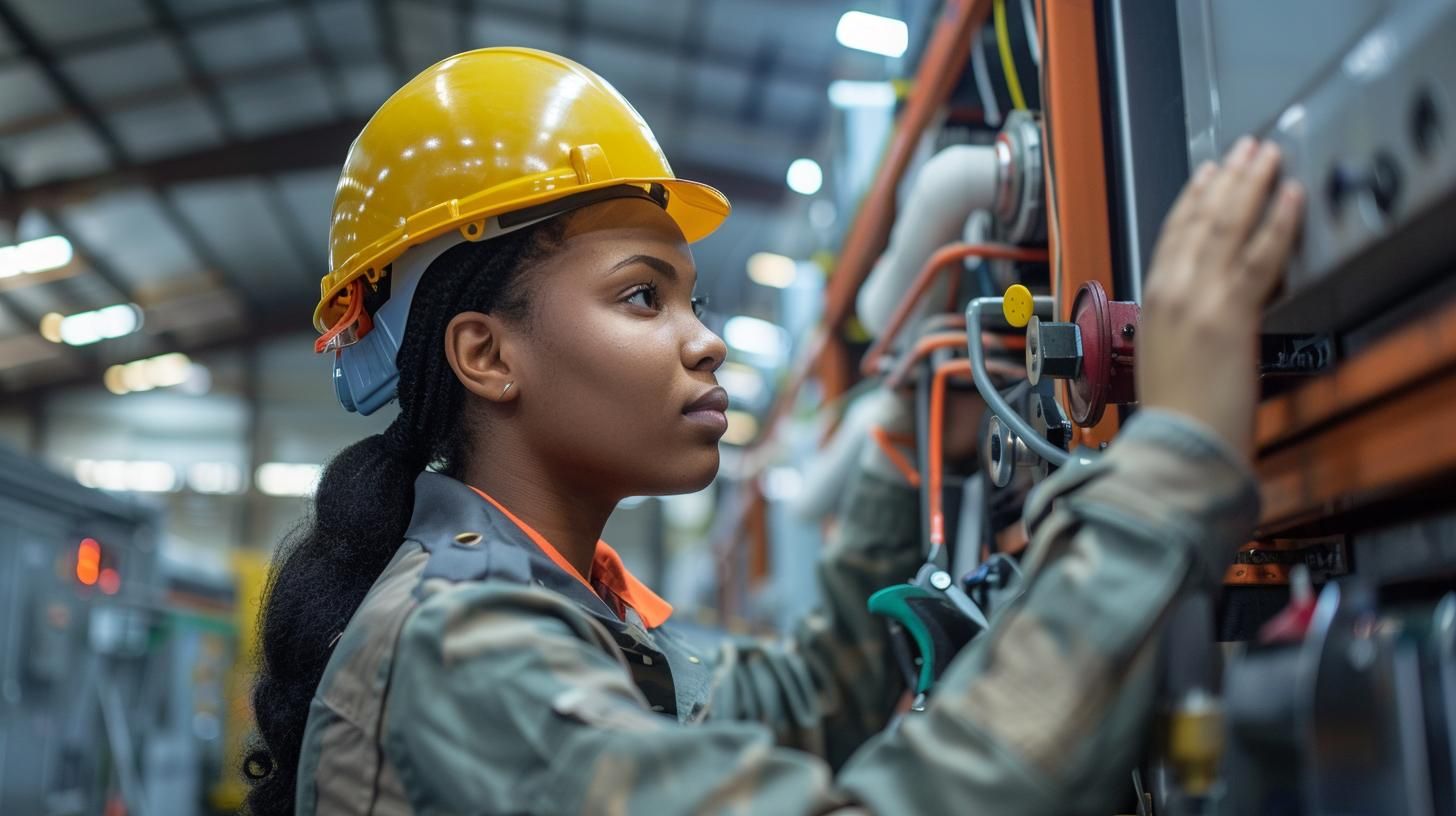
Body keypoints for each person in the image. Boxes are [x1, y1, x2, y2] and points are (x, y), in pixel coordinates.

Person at [244, 48, 1304, 816]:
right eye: (640, 298)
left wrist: (898, 441)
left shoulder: (572, 617)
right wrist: (1167, 466)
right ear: (486, 355)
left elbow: (811, 698)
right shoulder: (459, 649)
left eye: (692, 303)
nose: (704, 345)